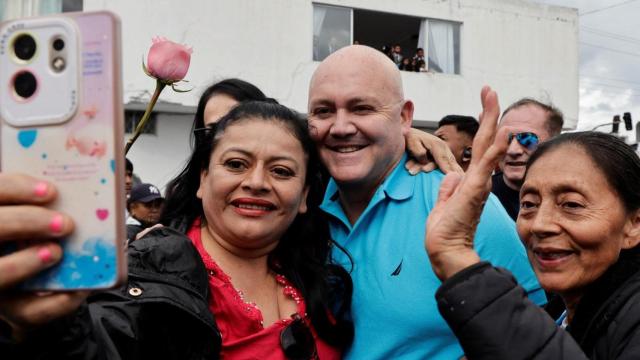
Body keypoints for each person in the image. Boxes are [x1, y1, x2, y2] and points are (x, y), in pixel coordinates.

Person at [0, 101, 354, 359]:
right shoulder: (146, 270)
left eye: (281, 171)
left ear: (306, 195)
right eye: (235, 164)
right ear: (203, 179)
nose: (257, 182)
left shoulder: (326, 275)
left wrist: (405, 145)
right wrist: (46, 324)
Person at [307, 45, 544, 359]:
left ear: (404, 116)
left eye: (361, 108)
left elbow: (536, 329)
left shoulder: (463, 208)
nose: (340, 127)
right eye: (323, 111)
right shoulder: (299, 204)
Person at [425, 87, 640, 359]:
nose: (540, 225)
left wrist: (455, 256)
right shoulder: (558, 314)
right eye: (529, 204)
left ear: (633, 224)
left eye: (572, 205)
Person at [491, 98, 564, 220]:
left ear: (554, 144)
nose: (512, 150)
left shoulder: (575, 198)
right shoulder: (480, 196)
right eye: (506, 139)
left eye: (527, 139)